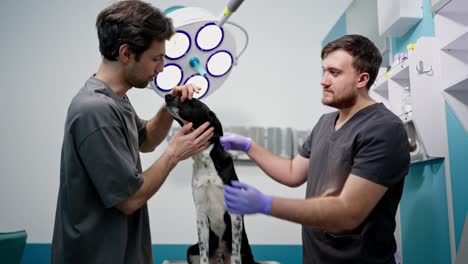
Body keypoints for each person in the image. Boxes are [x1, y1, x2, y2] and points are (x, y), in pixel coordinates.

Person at [221, 34, 410, 264]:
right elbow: (293, 172)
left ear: (362, 79)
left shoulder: (383, 129)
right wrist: (249, 146)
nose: (324, 80)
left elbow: (348, 211)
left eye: (334, 72)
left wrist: (266, 204)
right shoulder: (324, 123)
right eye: (324, 71)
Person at [51, 1, 214, 263]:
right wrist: (173, 154)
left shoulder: (116, 99)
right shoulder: (94, 110)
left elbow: (146, 141)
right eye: (155, 58)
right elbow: (129, 199)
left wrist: (168, 108)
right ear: (126, 53)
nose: (161, 68)